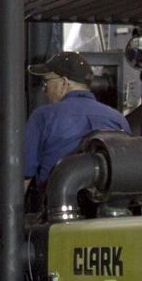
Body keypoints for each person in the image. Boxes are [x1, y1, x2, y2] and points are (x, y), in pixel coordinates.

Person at [24, 51, 131, 197]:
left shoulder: (43, 116)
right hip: (108, 208)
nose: (45, 89)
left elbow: (25, 173)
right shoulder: (118, 119)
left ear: (64, 83)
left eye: (47, 81)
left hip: (56, 209)